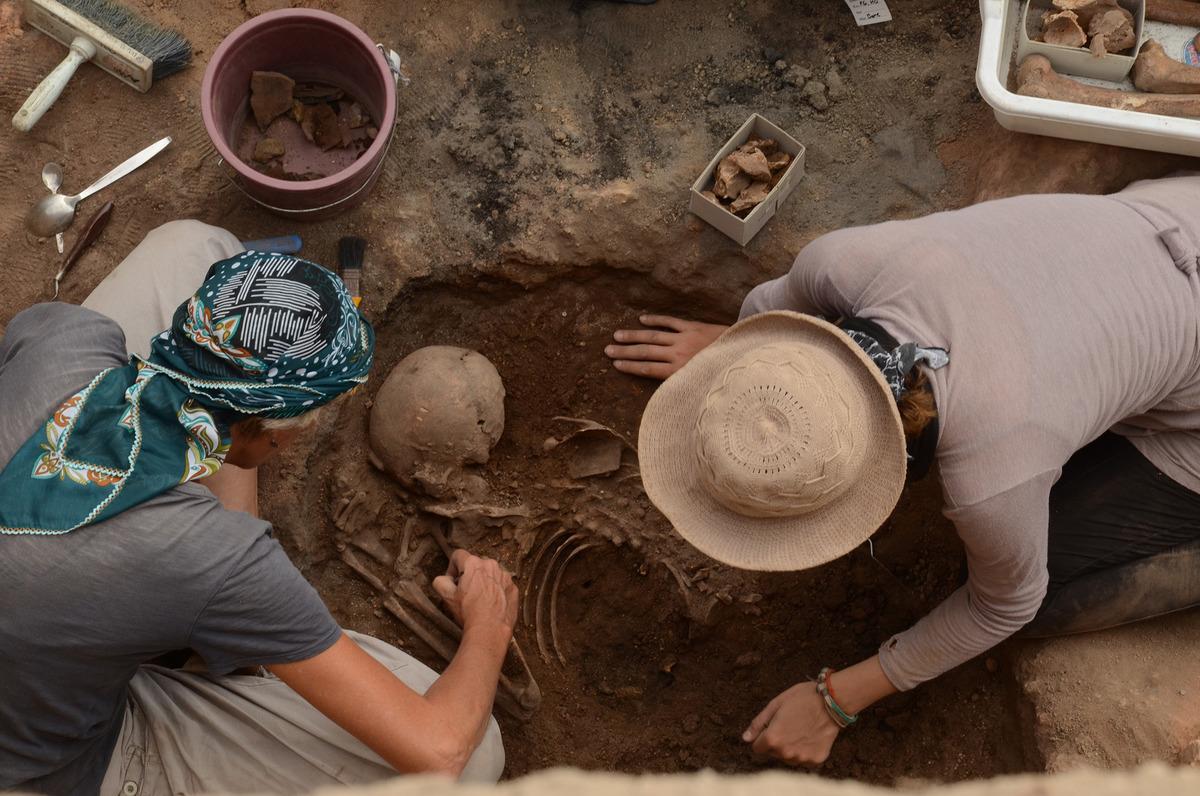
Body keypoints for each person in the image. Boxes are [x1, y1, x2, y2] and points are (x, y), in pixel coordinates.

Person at [606, 174, 1200, 766]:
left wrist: (834, 700)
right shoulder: (841, 264)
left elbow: (1005, 605)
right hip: (1178, 211)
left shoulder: (995, 469)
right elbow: (765, 309)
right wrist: (738, 362)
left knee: (1046, 581)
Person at [0, 222, 514, 795]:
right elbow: (436, 749)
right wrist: (490, 624)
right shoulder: (217, 562)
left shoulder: (59, 333)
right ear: (262, 431)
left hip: (39, 624)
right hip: (39, 766)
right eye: (306, 421)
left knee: (193, 245)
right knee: (473, 760)